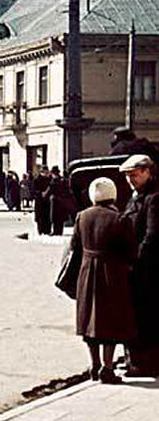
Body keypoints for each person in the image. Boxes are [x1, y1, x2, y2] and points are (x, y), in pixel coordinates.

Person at [70, 177, 137, 384]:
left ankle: (94, 364)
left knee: (89, 320)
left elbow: (74, 246)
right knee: (111, 320)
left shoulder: (82, 217)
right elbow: (130, 250)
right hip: (112, 273)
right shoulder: (120, 219)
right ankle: (108, 368)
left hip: (87, 271)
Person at [119, 154, 159, 376]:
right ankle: (137, 360)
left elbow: (152, 236)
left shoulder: (154, 198)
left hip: (148, 270)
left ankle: (146, 364)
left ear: (146, 172)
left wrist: (136, 263)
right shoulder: (136, 197)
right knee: (135, 316)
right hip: (135, 268)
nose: (130, 180)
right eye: (127, 176)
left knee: (147, 317)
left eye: (134, 175)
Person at [33, 166, 51, 235]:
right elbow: (34, 190)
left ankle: (47, 230)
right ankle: (41, 230)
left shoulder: (49, 180)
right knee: (40, 217)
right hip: (39, 201)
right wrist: (41, 193)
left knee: (47, 216)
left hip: (47, 201)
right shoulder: (37, 180)